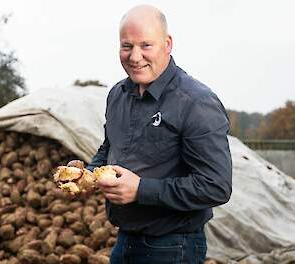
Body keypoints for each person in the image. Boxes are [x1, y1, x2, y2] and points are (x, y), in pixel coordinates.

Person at [85, 4, 232, 264]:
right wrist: (89, 173)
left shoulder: (195, 102)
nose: (135, 56)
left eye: (146, 45)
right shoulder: (117, 95)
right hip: (124, 239)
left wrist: (141, 189)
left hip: (173, 246)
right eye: (127, 46)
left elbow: (216, 186)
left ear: (168, 44)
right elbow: (109, 148)